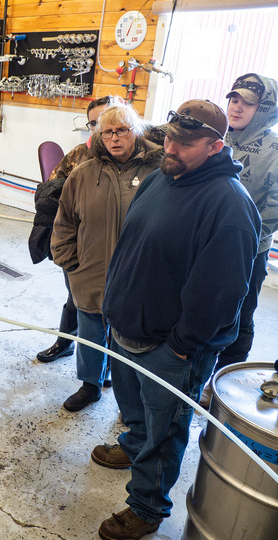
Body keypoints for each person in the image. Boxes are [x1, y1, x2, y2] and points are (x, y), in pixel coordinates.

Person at [94, 99, 260, 540]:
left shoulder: (229, 205)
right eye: (169, 136)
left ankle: (147, 506)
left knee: (164, 431)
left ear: (215, 146)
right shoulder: (164, 178)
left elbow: (222, 295)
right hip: (128, 328)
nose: (170, 146)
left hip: (171, 347)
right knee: (136, 412)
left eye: (185, 142)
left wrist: (182, 347)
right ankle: (131, 446)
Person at [51, 103, 162, 412]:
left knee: (130, 336)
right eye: (107, 132)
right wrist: (70, 262)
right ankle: (90, 384)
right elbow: (65, 221)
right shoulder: (84, 172)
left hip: (136, 273)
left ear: (136, 131)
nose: (114, 138)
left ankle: (128, 394)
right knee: (90, 328)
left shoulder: (157, 171)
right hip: (91, 268)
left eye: (122, 131)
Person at [200, 73, 278, 407]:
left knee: (239, 316)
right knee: (201, 309)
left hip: (248, 251)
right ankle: (195, 374)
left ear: (265, 109)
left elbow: (274, 207)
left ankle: (220, 386)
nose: (236, 107)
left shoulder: (274, 150)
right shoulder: (214, 136)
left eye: (247, 102)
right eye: (233, 99)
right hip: (204, 244)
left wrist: (243, 242)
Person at [29, 95, 122, 363]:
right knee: (77, 297)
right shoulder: (80, 155)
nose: (102, 127)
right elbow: (47, 195)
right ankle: (66, 343)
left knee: (116, 306)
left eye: (108, 118)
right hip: (84, 242)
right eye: (95, 122)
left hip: (120, 245)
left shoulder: (135, 158)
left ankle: (111, 364)